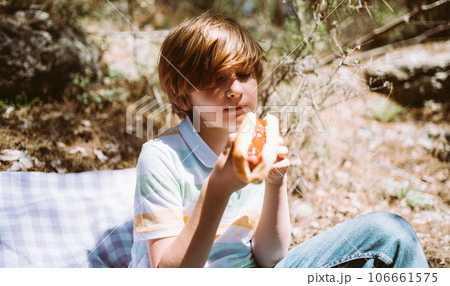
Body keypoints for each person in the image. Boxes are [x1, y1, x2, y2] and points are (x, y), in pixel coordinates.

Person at [128, 13, 429, 268]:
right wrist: (217, 190)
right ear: (183, 89)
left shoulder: (254, 144)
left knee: (390, 232)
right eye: (216, 77)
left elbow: (270, 256)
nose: (234, 89)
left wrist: (275, 182)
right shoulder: (162, 156)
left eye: (244, 74)